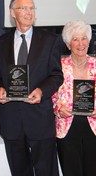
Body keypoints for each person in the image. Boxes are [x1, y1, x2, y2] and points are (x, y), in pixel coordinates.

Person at [0, 0, 64, 176]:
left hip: (40, 118)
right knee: (19, 171)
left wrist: (41, 91)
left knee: (46, 171)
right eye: (24, 8)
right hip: (12, 120)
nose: (29, 12)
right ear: (12, 12)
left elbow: (56, 75)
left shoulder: (50, 40)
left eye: (32, 8)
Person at [52, 20, 96, 176]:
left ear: (89, 42)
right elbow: (50, 95)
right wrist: (58, 108)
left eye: (84, 38)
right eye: (75, 39)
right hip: (67, 127)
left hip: (93, 127)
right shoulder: (58, 66)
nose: (80, 43)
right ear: (68, 44)